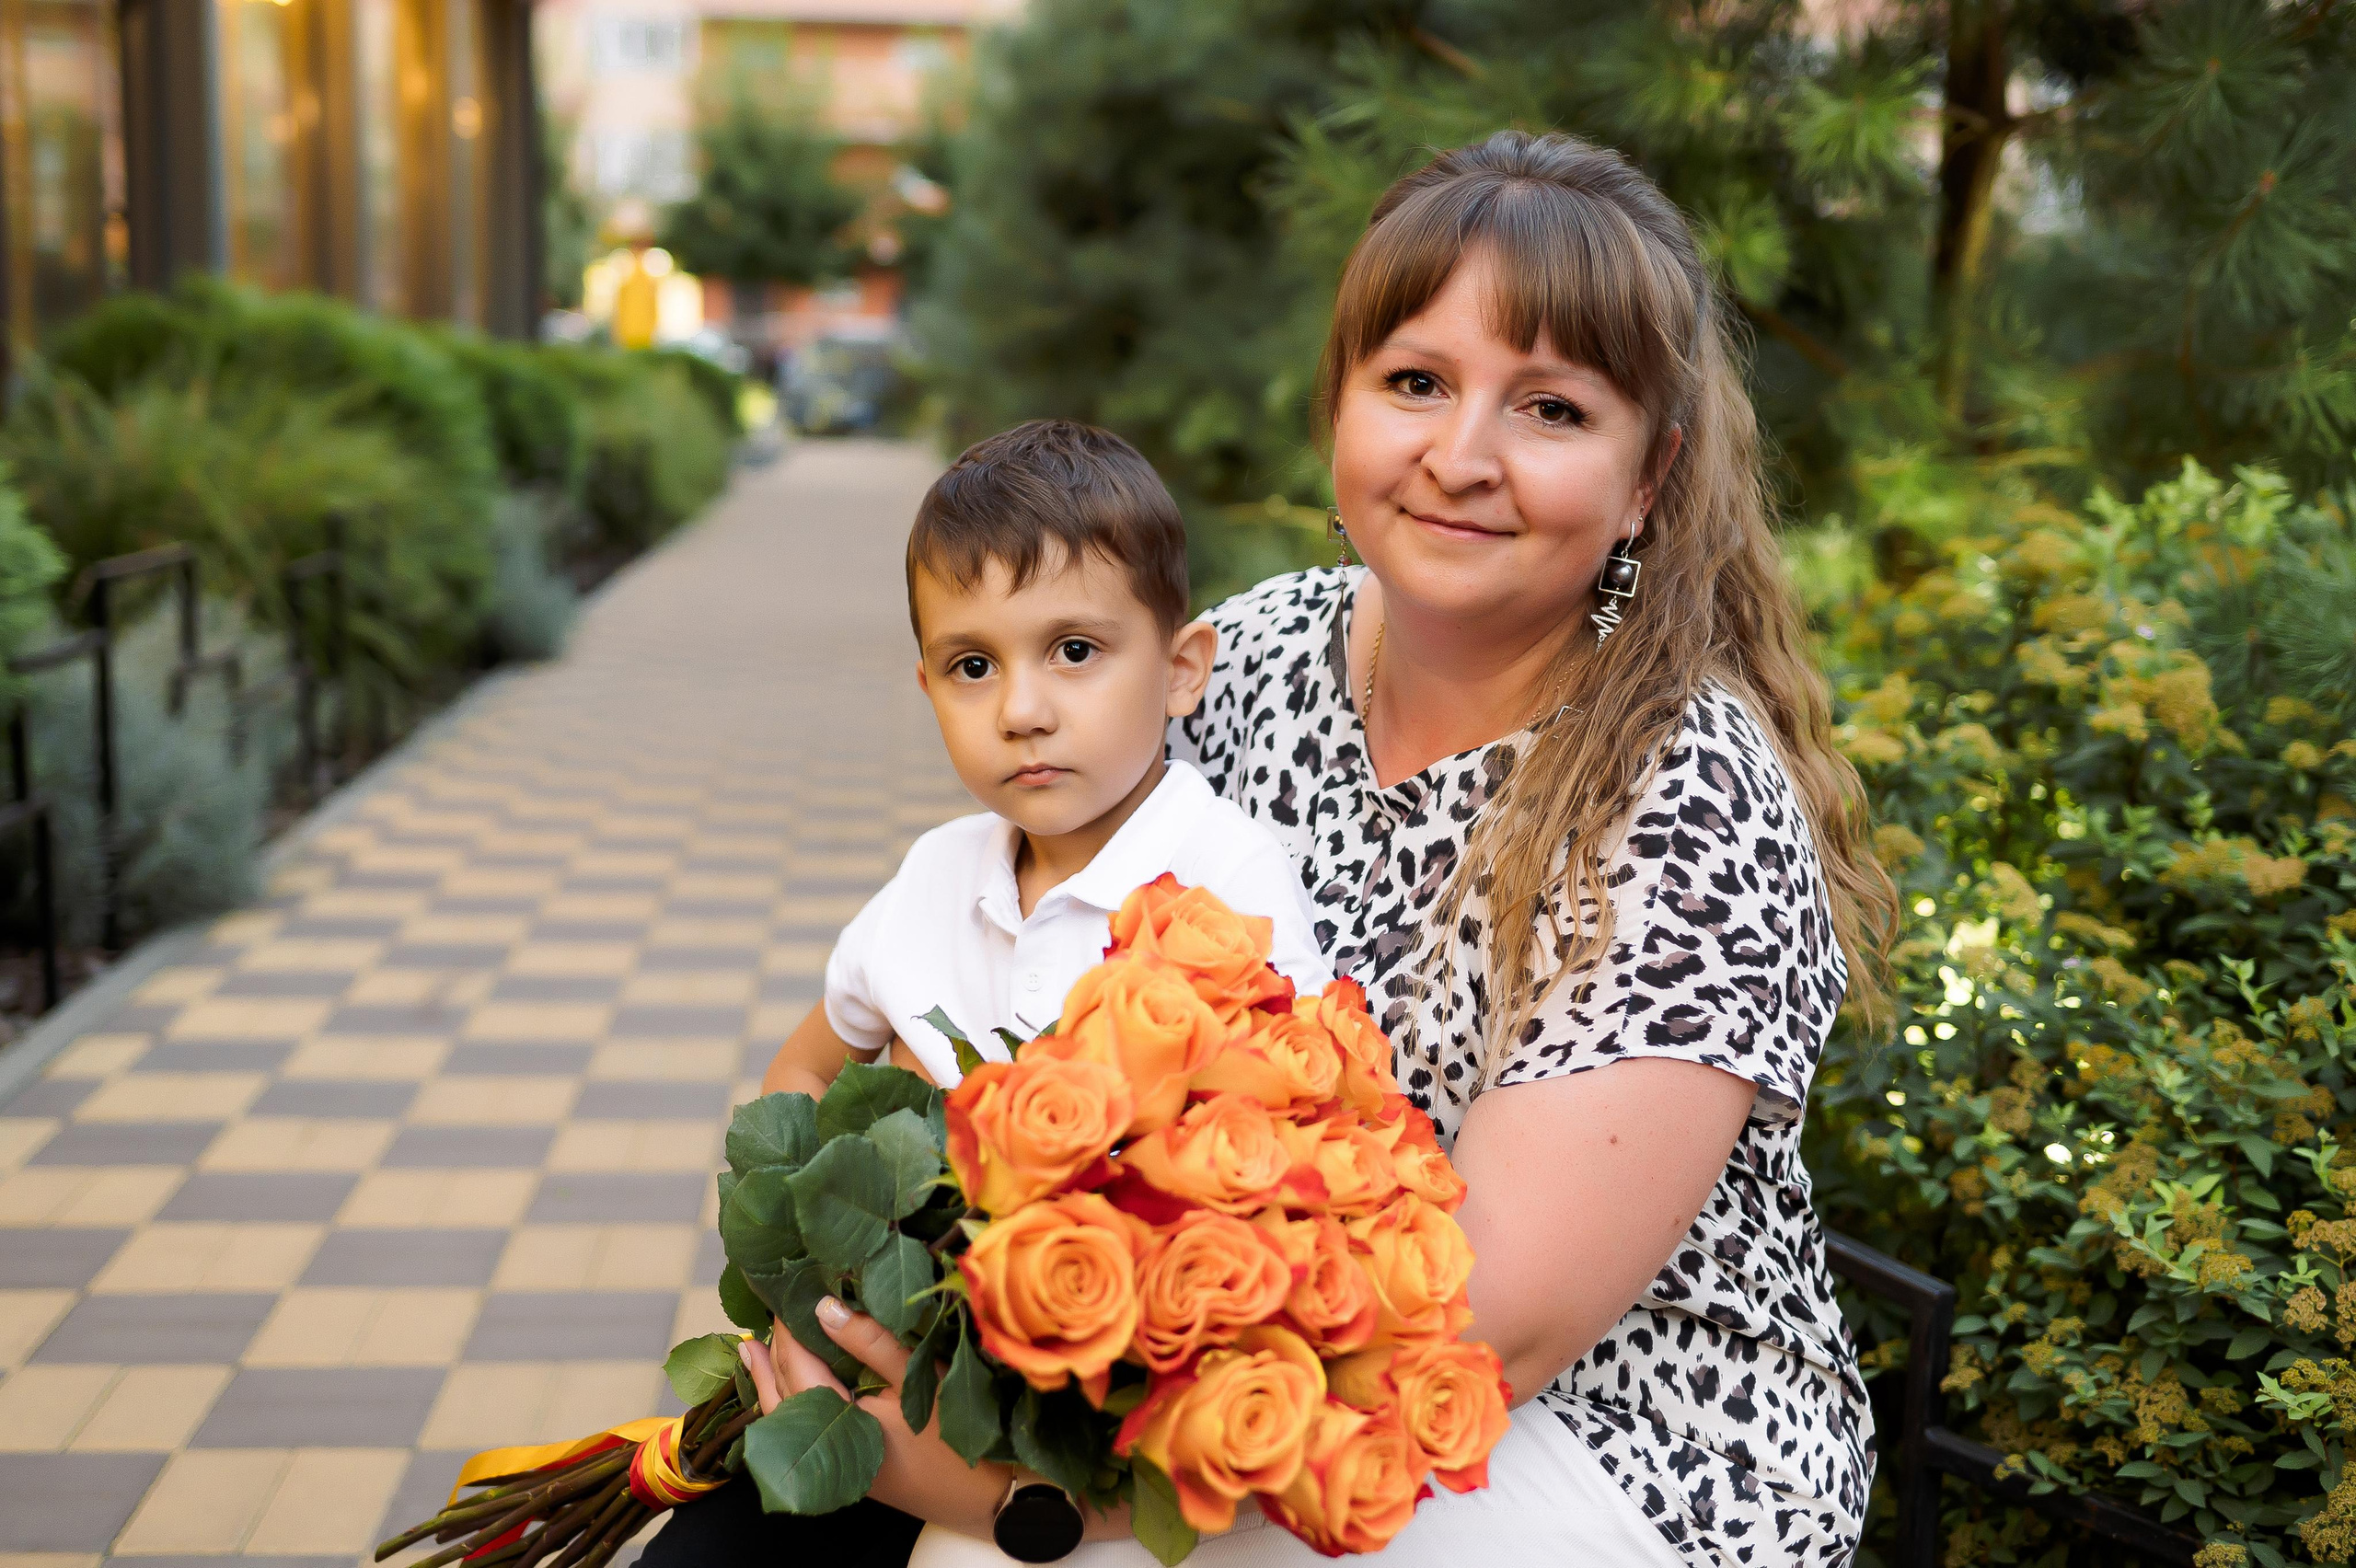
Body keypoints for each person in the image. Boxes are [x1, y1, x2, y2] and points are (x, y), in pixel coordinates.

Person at [709, 130, 1900, 1568]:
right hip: (1206, 1344)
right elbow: (1018, 956)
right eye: (1415, 384)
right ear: (1340, 407)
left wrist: (1010, 1499)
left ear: (1652, 474)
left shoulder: (1685, 792)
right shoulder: (1261, 649)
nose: (1461, 458)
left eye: (1550, 409)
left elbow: (1481, 1335)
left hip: (1615, 1445)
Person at [639, 419, 1331, 1563]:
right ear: (928, 687)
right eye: (974, 666)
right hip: (886, 1369)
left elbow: (1281, 1144)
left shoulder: (1227, 874)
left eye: (1073, 652)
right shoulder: (936, 873)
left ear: (1182, 668)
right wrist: (820, 1265)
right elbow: (808, 1066)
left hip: (1080, 1426)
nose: (1021, 708)